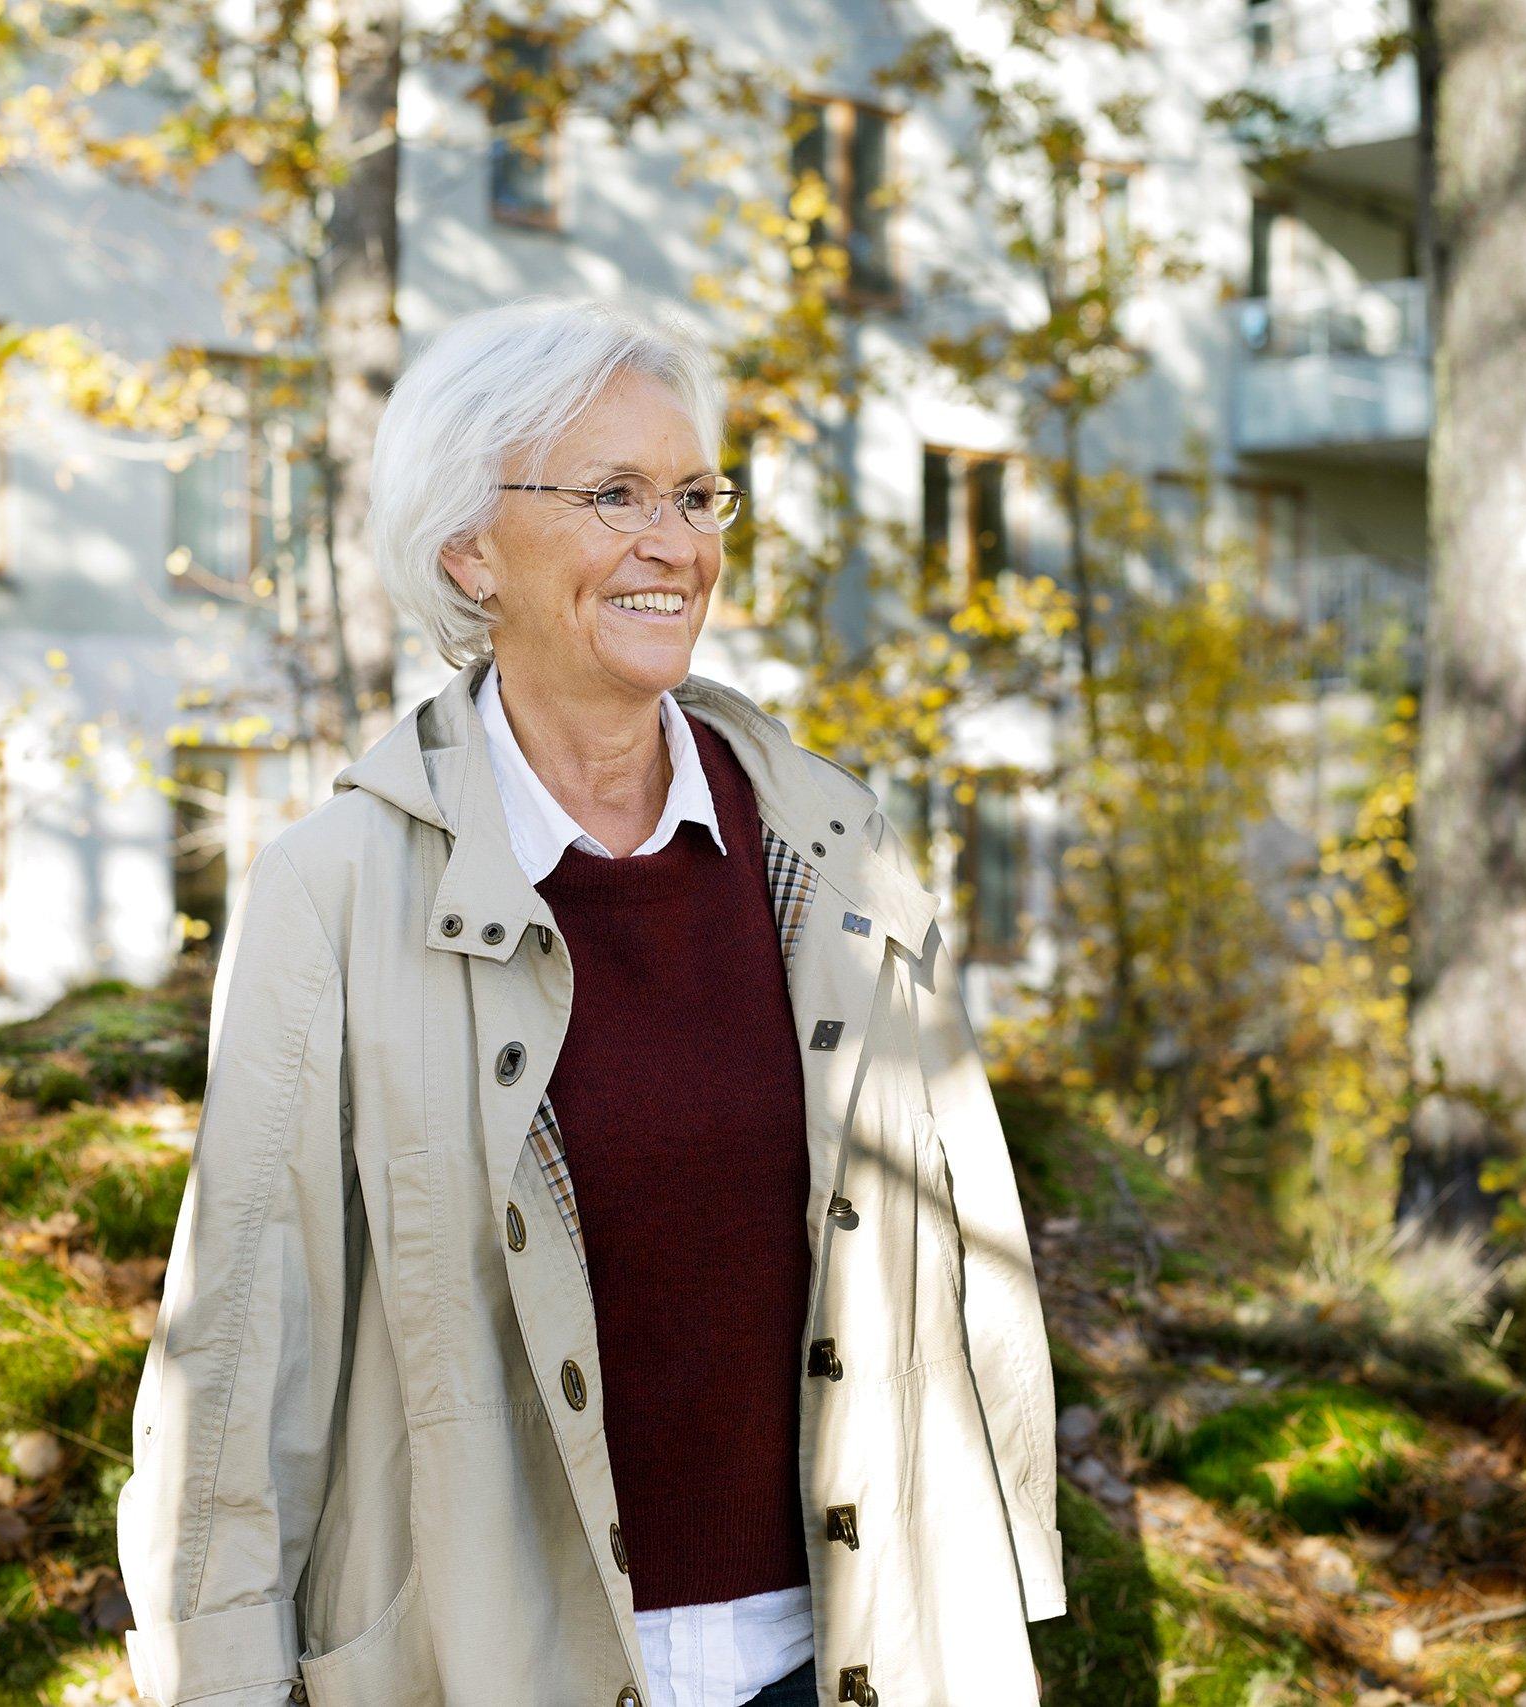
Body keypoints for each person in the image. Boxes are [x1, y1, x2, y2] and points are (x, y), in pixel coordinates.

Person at [116, 295, 1066, 1707]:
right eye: (614, 494)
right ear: (468, 550)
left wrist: (1009, 1583)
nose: (674, 543)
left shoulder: (837, 856)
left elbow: (969, 1261)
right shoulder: (337, 891)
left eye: (693, 495)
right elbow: (245, 1348)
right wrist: (225, 1677)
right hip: (489, 1664)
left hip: (845, 1657)